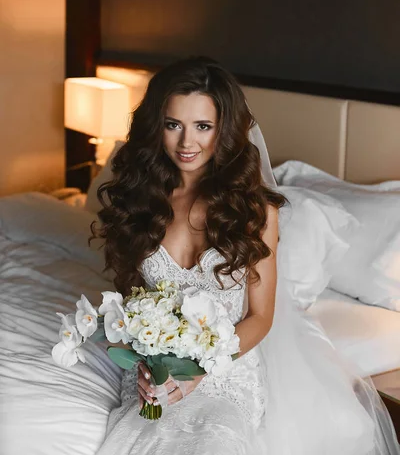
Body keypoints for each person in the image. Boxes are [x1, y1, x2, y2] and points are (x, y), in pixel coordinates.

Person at [94, 57, 399, 455]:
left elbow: (261, 316)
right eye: (174, 125)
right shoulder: (141, 201)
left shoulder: (255, 211)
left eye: (203, 126)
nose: (187, 143)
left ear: (224, 130)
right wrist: (147, 365)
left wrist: (198, 371)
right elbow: (138, 298)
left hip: (226, 371)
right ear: (157, 126)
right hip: (156, 372)